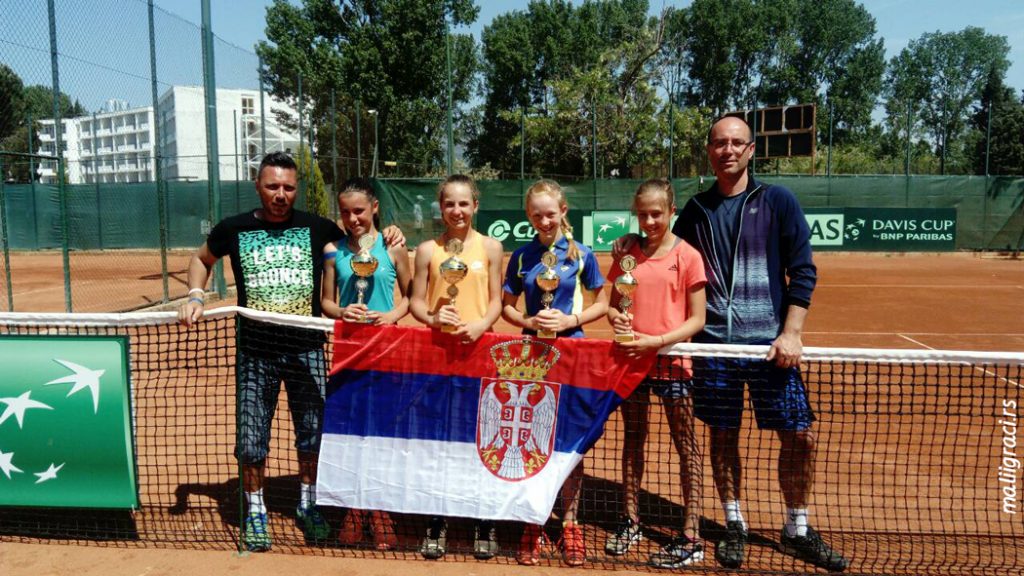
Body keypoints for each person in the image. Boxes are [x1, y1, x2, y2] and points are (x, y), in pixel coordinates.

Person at [621, 116, 847, 572]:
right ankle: (733, 522)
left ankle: (797, 527)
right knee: (723, 437)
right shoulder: (697, 211)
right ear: (709, 151)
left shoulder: (777, 201)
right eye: (719, 143)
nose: (728, 150)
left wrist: (792, 332)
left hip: (769, 347)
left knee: (800, 437)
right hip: (713, 350)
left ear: (750, 150)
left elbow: (802, 271)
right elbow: (665, 248)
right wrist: (632, 244)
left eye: (736, 143)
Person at [177, 152, 403, 552]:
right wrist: (195, 293)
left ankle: (307, 504)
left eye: (288, 187)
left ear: (295, 189)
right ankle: (256, 510)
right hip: (255, 351)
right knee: (250, 441)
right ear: (258, 186)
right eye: (272, 186)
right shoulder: (234, 228)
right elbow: (200, 258)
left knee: (312, 436)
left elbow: (361, 238)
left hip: (307, 348)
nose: (281, 195)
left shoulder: (319, 229)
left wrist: (391, 233)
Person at [499, 179, 609, 567]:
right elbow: (506, 306)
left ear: (563, 211)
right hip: (533, 355)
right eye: (536, 214)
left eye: (550, 213)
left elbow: (604, 304)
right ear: (529, 217)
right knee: (533, 436)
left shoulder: (583, 255)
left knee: (571, 443)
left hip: (573, 354)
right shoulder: (523, 256)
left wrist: (571, 319)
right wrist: (527, 320)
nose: (544, 220)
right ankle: (535, 519)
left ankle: (571, 523)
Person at [604, 178, 708, 568]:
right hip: (633, 364)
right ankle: (630, 519)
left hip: (673, 364)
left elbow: (697, 319)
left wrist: (657, 340)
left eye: (657, 213)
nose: (649, 221)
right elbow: (612, 305)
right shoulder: (627, 252)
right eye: (643, 214)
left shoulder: (688, 256)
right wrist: (620, 324)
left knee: (686, 447)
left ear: (671, 212)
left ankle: (692, 533)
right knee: (633, 441)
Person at [409, 174, 503, 560]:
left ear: (475, 206)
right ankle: (437, 519)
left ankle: (483, 519)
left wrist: (481, 324)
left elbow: (497, 300)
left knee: (481, 440)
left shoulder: (492, 247)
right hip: (438, 357)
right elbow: (416, 302)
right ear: (441, 207)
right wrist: (434, 319)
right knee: (440, 441)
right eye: (450, 204)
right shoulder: (427, 251)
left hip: (480, 356)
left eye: (464, 203)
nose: (457, 211)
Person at [320, 177, 412, 550]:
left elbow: (410, 296)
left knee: (382, 434)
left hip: (386, 350)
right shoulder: (332, 250)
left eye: (359, 210)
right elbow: (326, 302)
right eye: (345, 212)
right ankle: (354, 509)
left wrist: (391, 317)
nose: (352, 218)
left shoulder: (394, 247)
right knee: (350, 433)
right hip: (348, 351)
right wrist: (343, 311)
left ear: (374, 207)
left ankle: (380, 511)